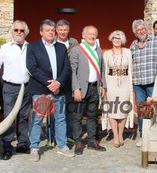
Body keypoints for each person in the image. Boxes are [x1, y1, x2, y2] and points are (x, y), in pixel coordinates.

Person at [0, 21, 31, 160]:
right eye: (16, 30)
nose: (19, 33)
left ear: (25, 32)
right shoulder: (5, 48)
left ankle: (22, 144)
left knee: (23, 116)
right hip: (10, 87)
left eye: (22, 30)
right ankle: (7, 147)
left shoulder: (30, 47)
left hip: (26, 87)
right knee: (9, 117)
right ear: (12, 32)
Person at [26, 19, 74, 161]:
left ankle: (62, 145)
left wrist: (58, 82)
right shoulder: (33, 47)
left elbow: (67, 68)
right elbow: (32, 68)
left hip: (58, 90)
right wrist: (50, 83)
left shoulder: (60, 47)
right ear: (41, 32)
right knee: (37, 119)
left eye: (52, 30)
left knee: (60, 118)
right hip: (41, 89)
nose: (51, 33)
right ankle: (34, 148)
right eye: (47, 30)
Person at [130, 19, 157, 147]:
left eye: (142, 29)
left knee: (152, 109)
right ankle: (143, 136)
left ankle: (153, 134)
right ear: (135, 33)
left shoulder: (155, 41)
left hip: (152, 82)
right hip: (137, 83)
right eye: (138, 30)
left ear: (147, 29)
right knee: (141, 110)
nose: (141, 31)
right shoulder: (133, 45)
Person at [70, 25, 106, 154]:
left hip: (94, 87)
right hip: (81, 88)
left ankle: (92, 141)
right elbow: (73, 71)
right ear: (83, 35)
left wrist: (103, 86)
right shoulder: (77, 50)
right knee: (78, 116)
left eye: (94, 34)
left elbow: (102, 70)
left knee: (92, 116)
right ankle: (78, 142)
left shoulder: (98, 50)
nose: (92, 36)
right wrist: (76, 88)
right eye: (89, 34)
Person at [102, 30, 134, 147]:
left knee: (123, 109)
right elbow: (104, 71)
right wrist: (103, 86)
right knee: (112, 109)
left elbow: (131, 69)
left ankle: (121, 134)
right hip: (111, 84)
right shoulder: (106, 54)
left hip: (124, 83)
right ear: (111, 39)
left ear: (123, 40)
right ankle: (115, 135)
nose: (117, 40)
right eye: (115, 38)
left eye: (119, 38)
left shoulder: (127, 52)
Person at [56, 19, 79, 143]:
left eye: (65, 29)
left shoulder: (74, 42)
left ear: (68, 30)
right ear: (56, 30)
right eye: (60, 30)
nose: (63, 32)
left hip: (70, 80)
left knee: (70, 108)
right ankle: (55, 135)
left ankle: (69, 134)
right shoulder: (52, 41)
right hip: (57, 80)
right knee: (56, 108)